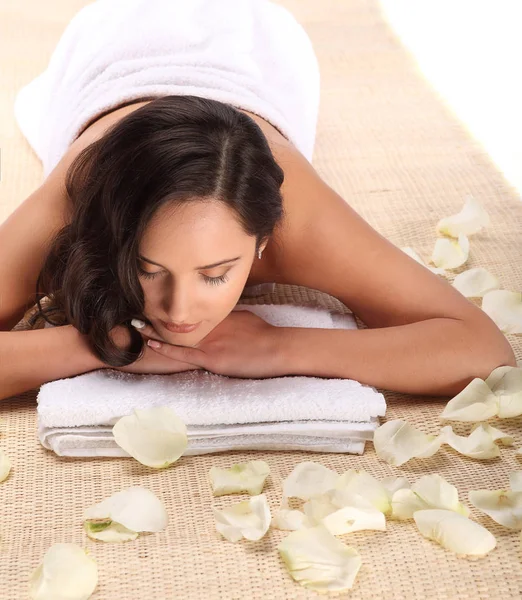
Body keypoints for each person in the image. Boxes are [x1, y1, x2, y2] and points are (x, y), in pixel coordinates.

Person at [0, 1, 515, 402]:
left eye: (216, 273)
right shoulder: (72, 208)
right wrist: (100, 346)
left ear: (264, 238)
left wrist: (279, 346)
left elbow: (483, 350)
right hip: (111, 35)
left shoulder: (302, 219)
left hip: (254, 36)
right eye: (147, 269)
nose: (178, 314)